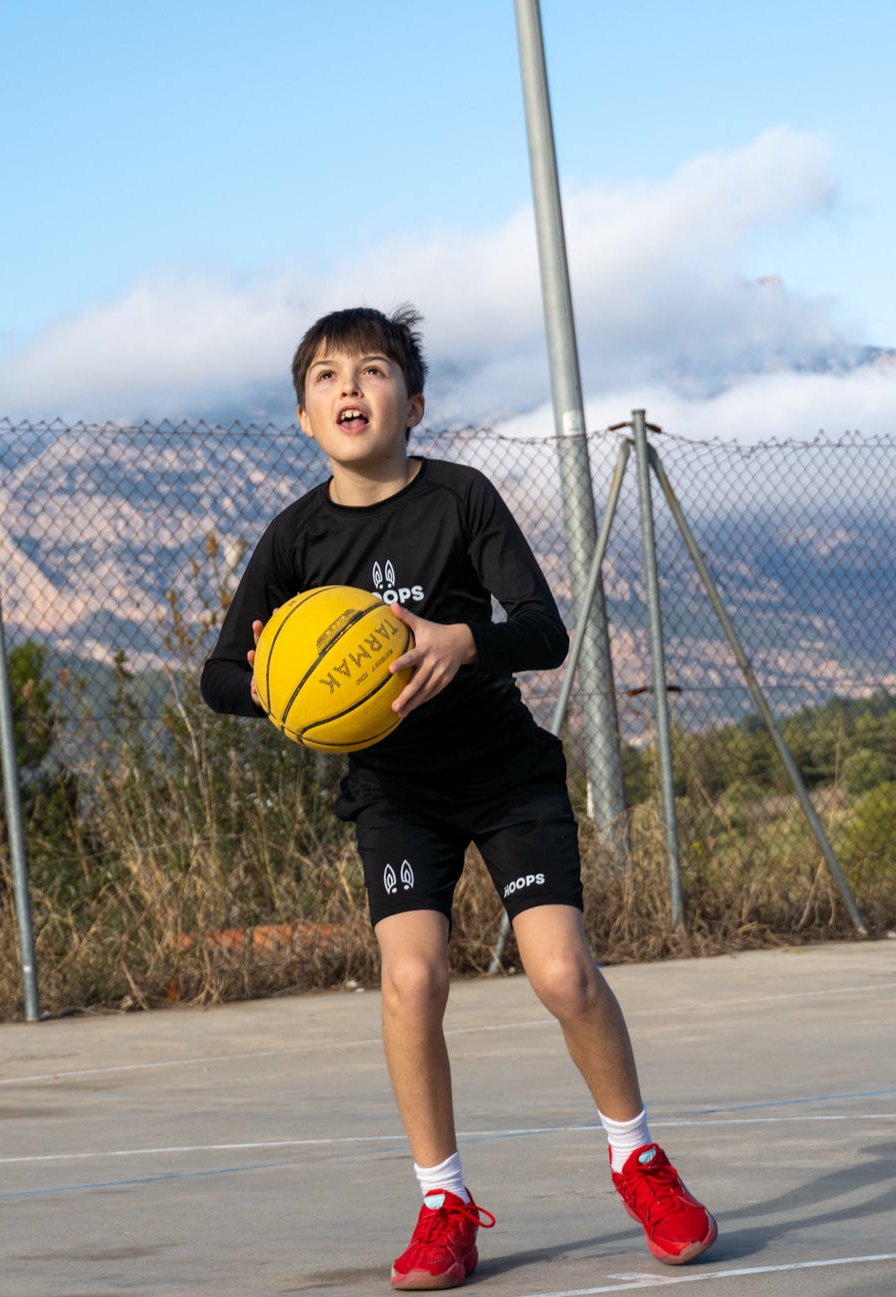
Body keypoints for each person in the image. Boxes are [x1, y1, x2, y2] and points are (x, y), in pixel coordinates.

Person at [201, 305, 716, 1290]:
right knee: (412, 980)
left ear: (415, 402)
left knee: (562, 974)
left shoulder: (460, 498)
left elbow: (544, 629)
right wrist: (270, 686)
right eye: (325, 376)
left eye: (373, 369)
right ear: (304, 417)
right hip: (396, 793)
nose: (350, 387)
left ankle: (639, 1161)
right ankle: (443, 1203)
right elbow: (219, 675)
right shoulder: (296, 536)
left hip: (503, 774)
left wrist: (462, 639)